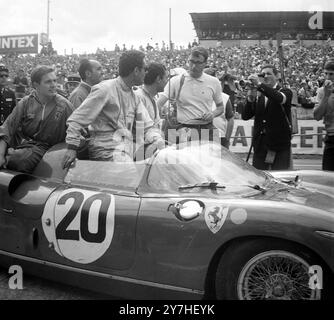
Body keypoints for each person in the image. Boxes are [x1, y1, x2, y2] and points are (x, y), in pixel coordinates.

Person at [62, 50, 165, 168]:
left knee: (163, 160)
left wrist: (158, 140)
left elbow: (147, 127)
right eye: (144, 69)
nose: (146, 73)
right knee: (133, 175)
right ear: (136, 71)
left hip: (127, 148)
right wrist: (72, 147)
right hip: (106, 149)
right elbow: (76, 120)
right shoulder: (104, 89)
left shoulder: (134, 96)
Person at [0, 66, 73, 173]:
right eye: (48, 82)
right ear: (35, 85)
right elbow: (7, 129)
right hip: (25, 146)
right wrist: (0, 155)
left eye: (54, 80)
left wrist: (72, 148)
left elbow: (78, 130)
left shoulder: (64, 105)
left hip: (53, 150)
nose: (54, 85)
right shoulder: (25, 103)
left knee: (18, 159)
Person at [157, 46, 224, 143]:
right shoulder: (176, 81)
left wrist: (212, 114)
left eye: (198, 63)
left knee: (208, 157)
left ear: (205, 63)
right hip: (183, 129)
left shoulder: (214, 82)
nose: (193, 66)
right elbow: (159, 103)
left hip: (206, 128)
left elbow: (220, 108)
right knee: (181, 158)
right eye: (191, 61)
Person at [242, 65, 293, 170]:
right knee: (259, 177)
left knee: (280, 176)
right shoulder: (259, 95)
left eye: (268, 73)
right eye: (263, 74)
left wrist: (259, 84)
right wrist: (250, 97)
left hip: (279, 144)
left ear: (277, 76)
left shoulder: (286, 91)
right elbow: (246, 116)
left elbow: (279, 98)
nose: (265, 76)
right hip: (260, 144)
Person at [203, 67, 235, 149]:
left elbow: (230, 119)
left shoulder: (224, 97)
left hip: (220, 137)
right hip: (201, 137)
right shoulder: (196, 96)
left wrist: (227, 139)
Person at [314, 61, 334, 171]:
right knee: (328, 177)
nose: (328, 77)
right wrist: (326, 96)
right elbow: (317, 116)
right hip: (331, 138)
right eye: (326, 74)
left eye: (331, 74)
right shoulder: (321, 91)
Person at [135, 62, 168, 128]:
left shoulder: (152, 98)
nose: (167, 81)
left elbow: (155, 123)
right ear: (158, 79)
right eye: (166, 78)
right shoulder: (139, 98)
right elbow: (141, 130)